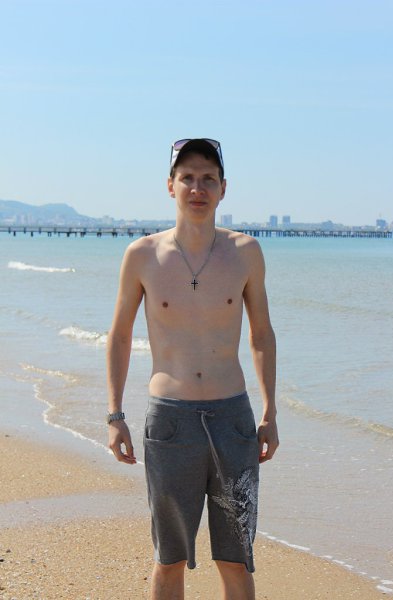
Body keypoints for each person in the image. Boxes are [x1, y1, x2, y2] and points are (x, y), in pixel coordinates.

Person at [107, 138, 278, 600]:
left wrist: (269, 413)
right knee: (170, 559)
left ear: (223, 188)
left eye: (208, 179)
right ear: (171, 186)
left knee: (236, 558)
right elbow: (119, 336)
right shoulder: (142, 255)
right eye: (187, 178)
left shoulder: (245, 252)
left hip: (233, 422)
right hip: (170, 423)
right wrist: (115, 415)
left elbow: (261, 335)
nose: (197, 188)